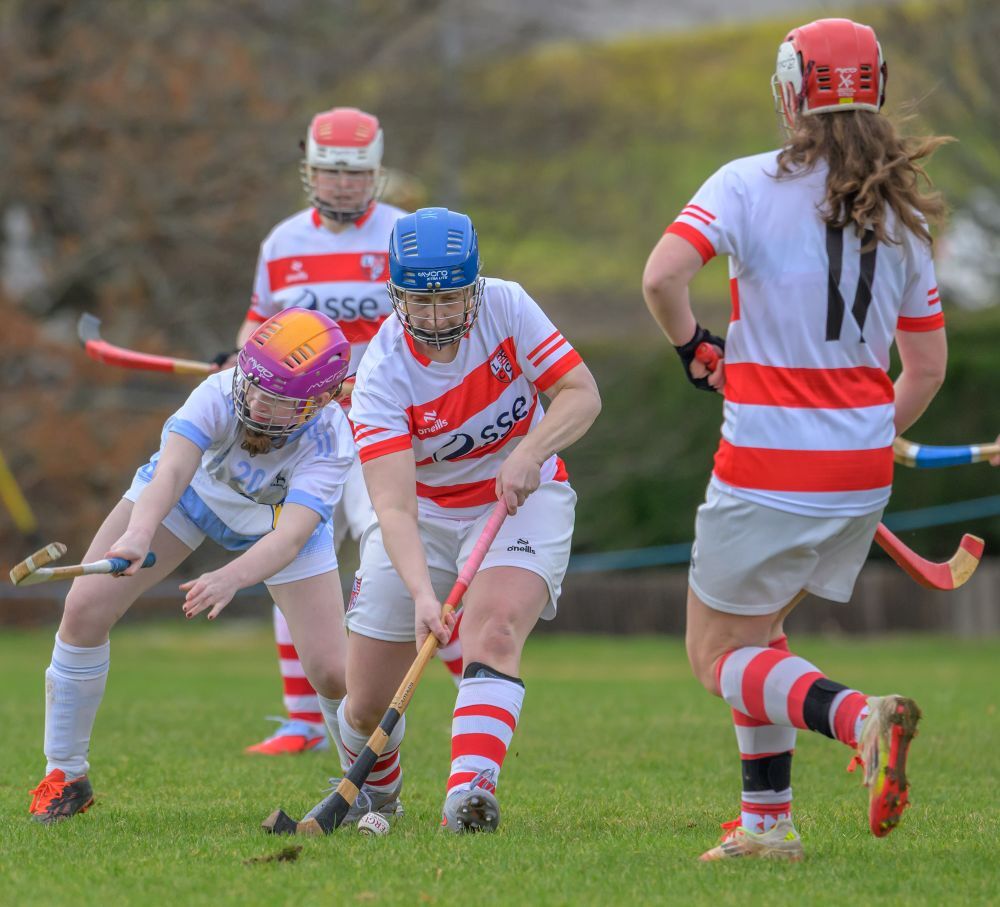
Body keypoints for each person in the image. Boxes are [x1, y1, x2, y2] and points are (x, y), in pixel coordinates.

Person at [642, 18, 951, 861]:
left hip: (766, 466)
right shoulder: (906, 215)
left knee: (715, 654)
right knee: (760, 637)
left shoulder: (744, 183)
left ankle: (860, 717)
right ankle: (768, 825)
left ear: (789, 93)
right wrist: (863, 434)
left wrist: (693, 347)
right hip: (859, 470)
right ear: (875, 89)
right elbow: (924, 369)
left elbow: (663, 276)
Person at [295, 207, 601, 832]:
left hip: (522, 497)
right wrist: (419, 595)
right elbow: (395, 506)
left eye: (451, 300)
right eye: (420, 303)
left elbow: (581, 393)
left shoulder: (509, 308)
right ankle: (380, 796)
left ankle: (470, 794)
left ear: (475, 289)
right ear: (396, 296)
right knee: (364, 705)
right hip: (424, 517)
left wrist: (528, 453)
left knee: (493, 634)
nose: (436, 318)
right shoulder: (382, 375)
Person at [28, 308, 356, 824]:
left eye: (274, 397)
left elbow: (292, 536)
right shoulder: (220, 391)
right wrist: (137, 533)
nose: (254, 400)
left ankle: (366, 789)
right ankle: (65, 775)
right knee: (84, 609)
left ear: (314, 403)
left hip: (277, 522)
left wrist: (230, 577)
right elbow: (173, 468)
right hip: (190, 496)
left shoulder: (331, 439)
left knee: (334, 673)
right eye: (253, 385)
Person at [226, 107, 465, 757]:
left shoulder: (404, 237)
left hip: (378, 426)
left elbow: (436, 324)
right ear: (310, 172)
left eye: (354, 173)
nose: (340, 185)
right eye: (328, 172)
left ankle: (473, 683)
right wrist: (244, 355)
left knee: (387, 547)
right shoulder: (282, 244)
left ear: (376, 173)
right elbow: (259, 321)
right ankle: (301, 720)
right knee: (294, 558)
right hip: (303, 432)